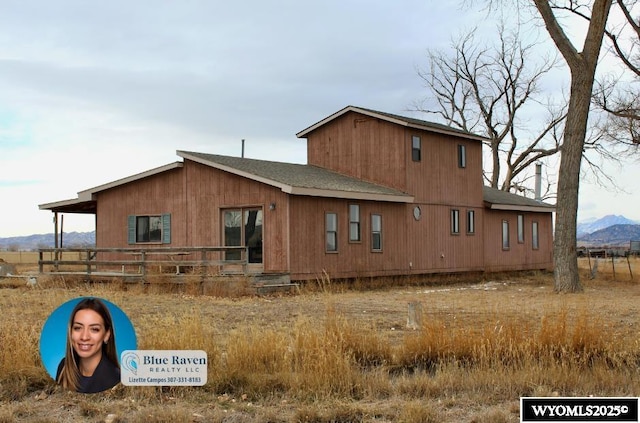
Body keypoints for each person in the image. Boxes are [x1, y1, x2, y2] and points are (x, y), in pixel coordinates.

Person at [55, 297, 120, 393]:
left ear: (106, 335)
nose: (84, 337)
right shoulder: (63, 368)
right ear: (70, 332)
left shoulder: (115, 378)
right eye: (78, 328)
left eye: (94, 329)